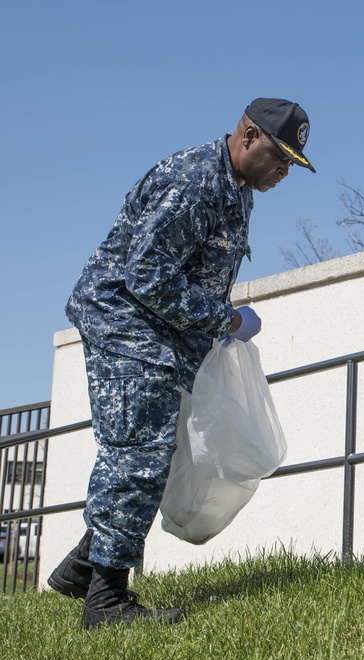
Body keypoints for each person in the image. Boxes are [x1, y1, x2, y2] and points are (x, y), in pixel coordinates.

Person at [47, 98, 316, 628]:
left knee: (153, 450)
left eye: (292, 163)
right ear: (247, 135)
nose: (284, 171)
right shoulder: (195, 181)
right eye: (279, 156)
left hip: (161, 333)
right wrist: (225, 320)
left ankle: (85, 566)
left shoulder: (237, 191)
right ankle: (105, 600)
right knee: (137, 450)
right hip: (126, 324)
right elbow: (144, 274)